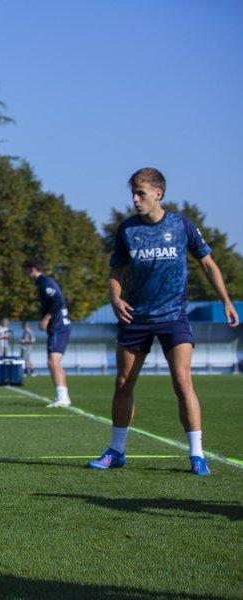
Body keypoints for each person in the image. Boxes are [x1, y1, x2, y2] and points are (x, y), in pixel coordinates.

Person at [89, 167, 239, 475]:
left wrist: (226, 300)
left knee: (183, 382)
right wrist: (115, 299)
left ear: (158, 193)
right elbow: (115, 272)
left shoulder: (182, 225)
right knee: (123, 382)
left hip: (174, 317)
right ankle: (117, 450)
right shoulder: (127, 230)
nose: (135, 199)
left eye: (140, 193)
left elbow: (208, 264)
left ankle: (197, 455)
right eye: (133, 193)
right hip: (136, 317)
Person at [24, 257, 72, 407]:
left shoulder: (45, 282)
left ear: (32, 269)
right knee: (54, 361)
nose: (25, 273)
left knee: (52, 361)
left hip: (58, 326)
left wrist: (46, 318)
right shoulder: (42, 283)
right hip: (58, 326)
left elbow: (58, 301)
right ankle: (63, 397)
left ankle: (63, 398)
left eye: (26, 270)